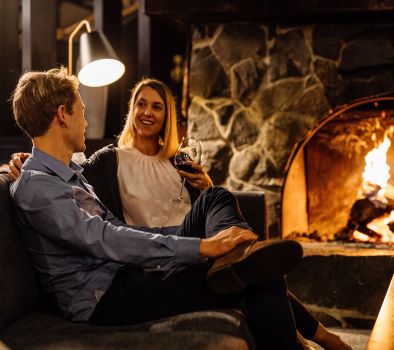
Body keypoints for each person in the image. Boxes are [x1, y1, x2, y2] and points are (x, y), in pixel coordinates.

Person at [9, 68, 352, 350]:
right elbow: (104, 238)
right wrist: (201, 247)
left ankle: (239, 255)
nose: (86, 122)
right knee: (256, 277)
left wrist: (202, 242)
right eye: (82, 112)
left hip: (130, 276)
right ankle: (249, 268)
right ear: (62, 115)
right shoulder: (38, 186)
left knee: (214, 198)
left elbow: (113, 230)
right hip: (107, 300)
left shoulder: (70, 174)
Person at [9, 77, 211, 227]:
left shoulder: (178, 160)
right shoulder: (109, 160)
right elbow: (65, 172)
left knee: (219, 196)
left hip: (189, 241)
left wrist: (206, 187)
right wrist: (23, 159)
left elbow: (203, 208)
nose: (147, 112)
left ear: (167, 115)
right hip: (147, 253)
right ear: (132, 110)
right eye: (141, 104)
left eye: (157, 107)